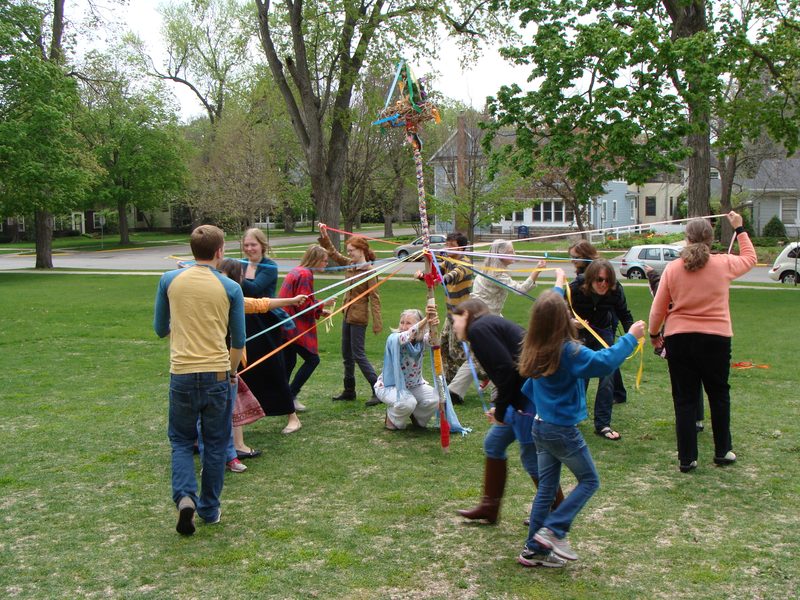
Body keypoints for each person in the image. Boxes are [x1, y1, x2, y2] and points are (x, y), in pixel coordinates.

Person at [517, 282, 645, 567]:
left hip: (540, 427)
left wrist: (558, 286)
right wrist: (631, 338)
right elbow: (603, 362)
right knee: (589, 480)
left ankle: (532, 549)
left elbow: (528, 388)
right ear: (563, 321)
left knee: (546, 490)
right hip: (561, 431)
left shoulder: (536, 346)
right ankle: (552, 531)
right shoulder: (569, 351)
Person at [153, 224, 245, 536]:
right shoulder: (231, 288)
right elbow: (239, 342)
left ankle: (184, 497)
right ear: (220, 252)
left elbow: (159, 328)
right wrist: (232, 373)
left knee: (180, 440)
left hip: (181, 374)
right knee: (216, 443)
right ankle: (209, 507)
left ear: (192, 251)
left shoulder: (169, 280)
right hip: (217, 374)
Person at [648, 212, 756, 473]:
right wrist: (739, 228)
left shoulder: (673, 268)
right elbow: (751, 258)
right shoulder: (723, 264)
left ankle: (687, 458)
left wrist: (654, 336)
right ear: (710, 239)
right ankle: (722, 451)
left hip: (680, 339)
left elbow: (658, 309)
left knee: (684, 400)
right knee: (719, 395)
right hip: (716, 340)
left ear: (687, 239)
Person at [452, 297, 563, 525]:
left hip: (530, 397)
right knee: (494, 444)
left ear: (466, 316)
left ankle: (556, 511)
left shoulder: (479, 329)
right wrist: (502, 406)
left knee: (531, 458)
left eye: (455, 320)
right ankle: (489, 508)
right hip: (521, 395)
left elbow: (506, 370)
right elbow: (508, 366)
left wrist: (501, 411)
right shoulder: (487, 326)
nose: (454, 327)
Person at [218, 258, 307, 459]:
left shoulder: (237, 292)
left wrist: (291, 301)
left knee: (238, 387)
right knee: (229, 392)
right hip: (221, 353)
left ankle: (236, 444)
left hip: (251, 337)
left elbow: (260, 303)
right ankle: (227, 443)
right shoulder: (220, 295)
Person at [447, 239, 545, 404]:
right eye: (510, 252)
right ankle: (493, 392)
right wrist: (537, 271)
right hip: (483, 318)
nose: (513, 254)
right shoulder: (496, 272)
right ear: (499, 254)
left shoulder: (495, 268)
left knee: (485, 355)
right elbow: (519, 290)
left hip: (488, 315)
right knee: (491, 355)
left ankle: (457, 391)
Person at [238, 228, 302, 434]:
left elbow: (254, 289)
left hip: (266, 324)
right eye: (246, 245)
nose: (249, 249)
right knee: (241, 370)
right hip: (243, 321)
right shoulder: (240, 265)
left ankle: (292, 417)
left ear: (263, 246)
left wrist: (227, 273)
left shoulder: (269, 266)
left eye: (253, 245)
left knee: (274, 369)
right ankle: (240, 415)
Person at [567, 258, 634, 441]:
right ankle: (573, 417)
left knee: (608, 376)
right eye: (599, 280)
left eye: (607, 280)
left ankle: (603, 424)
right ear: (590, 279)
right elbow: (559, 310)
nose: (603, 284)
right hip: (579, 335)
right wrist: (570, 321)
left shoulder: (616, 290)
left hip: (603, 333)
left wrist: (634, 336)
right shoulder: (575, 287)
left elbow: (624, 314)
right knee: (581, 375)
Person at [318, 223, 383, 405]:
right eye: (348, 250)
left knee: (358, 354)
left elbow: (375, 298)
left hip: (359, 317)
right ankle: (349, 390)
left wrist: (377, 322)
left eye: (352, 250)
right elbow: (333, 253)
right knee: (346, 354)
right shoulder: (350, 265)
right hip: (347, 315)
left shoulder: (369, 271)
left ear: (362, 250)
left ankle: (378, 389)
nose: (350, 253)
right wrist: (324, 235)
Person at [644, 264, 705, 433]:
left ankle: (690, 420)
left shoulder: (679, 285)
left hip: (682, 338)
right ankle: (694, 419)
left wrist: (654, 334)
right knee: (693, 381)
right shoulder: (699, 283)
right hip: (697, 338)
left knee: (684, 384)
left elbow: (660, 295)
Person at [568, 240, 627, 405]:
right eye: (571, 256)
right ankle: (582, 402)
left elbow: (622, 310)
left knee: (608, 358)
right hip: (586, 325)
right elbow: (567, 303)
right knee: (596, 360)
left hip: (605, 321)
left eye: (576, 257)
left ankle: (617, 395)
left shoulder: (602, 274)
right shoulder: (578, 281)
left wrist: (631, 335)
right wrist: (572, 320)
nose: (572, 260)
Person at [278, 245, 335, 411]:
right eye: (324, 261)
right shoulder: (305, 274)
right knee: (312, 359)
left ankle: (283, 398)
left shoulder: (298, 271)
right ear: (315, 260)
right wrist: (323, 303)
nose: (326, 264)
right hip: (293, 326)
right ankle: (290, 395)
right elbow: (303, 304)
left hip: (285, 324)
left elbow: (302, 301)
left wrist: (319, 310)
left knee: (289, 361)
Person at [415, 232, 473, 389]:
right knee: (444, 348)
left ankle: (484, 373)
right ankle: (447, 383)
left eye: (452, 246)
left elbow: (454, 275)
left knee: (458, 353)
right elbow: (435, 273)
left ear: (461, 249)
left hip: (462, 316)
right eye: (447, 245)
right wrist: (423, 275)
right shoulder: (448, 262)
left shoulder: (465, 263)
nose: (448, 248)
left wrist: (441, 279)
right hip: (450, 314)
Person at [374, 305, 440, 430]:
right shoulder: (394, 339)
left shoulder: (421, 340)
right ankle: (392, 418)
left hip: (415, 385)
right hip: (390, 386)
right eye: (402, 322)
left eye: (408, 323)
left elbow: (434, 341)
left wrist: (432, 325)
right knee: (408, 403)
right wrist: (426, 319)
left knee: (436, 398)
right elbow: (408, 335)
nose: (403, 326)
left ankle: (417, 418)